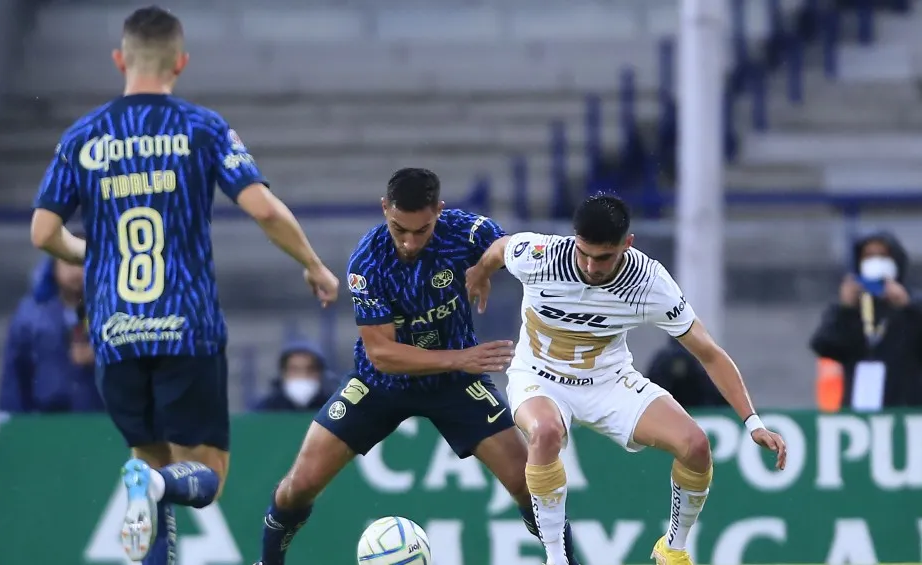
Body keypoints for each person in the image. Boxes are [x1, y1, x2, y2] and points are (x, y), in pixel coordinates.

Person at [29, 7, 339, 564]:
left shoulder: (82, 136)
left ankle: (152, 494)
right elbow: (263, 209)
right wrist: (313, 263)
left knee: (147, 464)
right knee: (204, 476)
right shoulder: (201, 128)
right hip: (185, 329)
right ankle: (159, 488)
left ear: (120, 59)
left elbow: (43, 232)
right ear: (182, 62)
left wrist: (93, 254)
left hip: (116, 331)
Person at [254, 168, 581, 565]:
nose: (409, 242)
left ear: (439, 212)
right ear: (384, 209)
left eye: (421, 231)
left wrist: (484, 267)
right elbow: (382, 354)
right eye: (398, 229)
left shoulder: (463, 231)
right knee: (299, 485)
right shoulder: (368, 261)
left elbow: (511, 245)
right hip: (381, 383)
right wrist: (460, 358)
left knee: (527, 483)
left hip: (454, 384)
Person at [465, 194, 787, 565]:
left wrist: (753, 421)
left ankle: (674, 549)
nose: (590, 265)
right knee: (546, 433)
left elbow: (709, 352)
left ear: (627, 244)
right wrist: (480, 273)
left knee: (695, 445)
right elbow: (500, 249)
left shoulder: (649, 282)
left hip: (608, 381)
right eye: (583, 253)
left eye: (603, 257)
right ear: (573, 239)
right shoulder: (538, 254)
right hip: (539, 376)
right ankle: (557, 558)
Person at [810, 231, 922, 409]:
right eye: (869, 256)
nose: (876, 261)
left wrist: (907, 305)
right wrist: (846, 309)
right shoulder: (852, 308)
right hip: (859, 408)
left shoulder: (913, 305)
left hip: (906, 409)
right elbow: (824, 345)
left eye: (882, 255)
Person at [0, 256, 104, 413]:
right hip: (46, 418)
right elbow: (14, 376)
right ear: (54, 266)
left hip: (103, 418)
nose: (76, 271)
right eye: (68, 262)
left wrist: (102, 355)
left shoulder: (115, 311)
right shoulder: (30, 316)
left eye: (82, 263)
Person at [253, 340, 333, 412]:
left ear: (320, 373)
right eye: (295, 369)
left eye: (310, 369)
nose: (303, 375)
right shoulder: (264, 409)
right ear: (283, 372)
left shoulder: (332, 407)